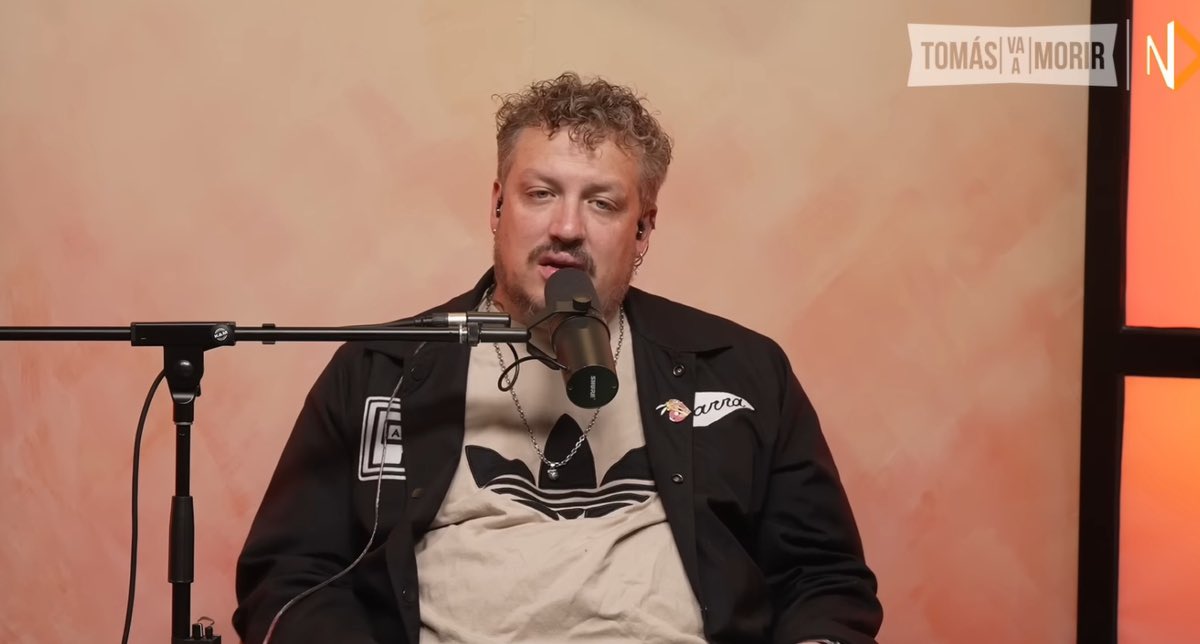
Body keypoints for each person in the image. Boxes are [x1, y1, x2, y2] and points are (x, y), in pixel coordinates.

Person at [233, 72, 882, 644]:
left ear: (643, 230)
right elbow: (289, 576)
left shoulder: (741, 368)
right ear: (497, 206)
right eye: (541, 193)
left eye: (602, 203)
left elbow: (824, 578)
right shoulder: (383, 369)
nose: (567, 227)